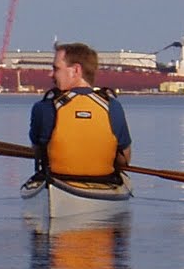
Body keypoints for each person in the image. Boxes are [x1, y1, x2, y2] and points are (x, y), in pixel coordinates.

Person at [29, 41, 132, 181]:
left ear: (76, 70)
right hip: (103, 181)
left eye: (56, 68)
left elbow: (38, 151)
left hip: (57, 181)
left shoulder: (43, 108)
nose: (50, 74)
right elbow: (124, 159)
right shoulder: (113, 107)